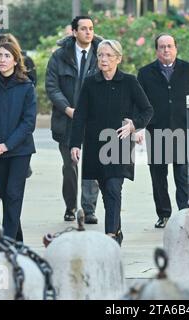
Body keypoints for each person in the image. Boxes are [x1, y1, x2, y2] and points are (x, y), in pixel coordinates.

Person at [69, 40, 153, 245]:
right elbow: (80, 116)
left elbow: (147, 110)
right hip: (96, 146)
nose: (103, 59)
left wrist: (134, 125)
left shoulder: (130, 82)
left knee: (114, 187)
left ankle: (111, 236)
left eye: (108, 55)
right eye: (100, 55)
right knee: (106, 191)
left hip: (119, 145)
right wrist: (75, 144)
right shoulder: (90, 83)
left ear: (118, 59)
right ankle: (116, 228)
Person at [138, 34, 189, 228]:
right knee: (158, 177)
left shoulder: (188, 69)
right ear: (156, 50)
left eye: (169, 46)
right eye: (162, 47)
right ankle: (164, 214)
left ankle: (184, 212)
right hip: (156, 131)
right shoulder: (145, 73)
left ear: (176, 48)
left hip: (182, 130)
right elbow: (140, 103)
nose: (166, 50)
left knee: (183, 175)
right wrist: (140, 127)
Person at [46, 16, 101, 223]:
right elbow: (52, 86)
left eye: (91, 28)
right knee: (70, 166)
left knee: (92, 166)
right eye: (84, 29)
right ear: (74, 32)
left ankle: (89, 209)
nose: (88, 32)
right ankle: (71, 206)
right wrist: (68, 109)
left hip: (93, 120)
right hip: (67, 120)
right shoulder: (59, 57)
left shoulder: (100, 54)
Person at [0, 42, 37, 241]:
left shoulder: (26, 86)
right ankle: (17, 239)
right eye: (0, 56)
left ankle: (8, 241)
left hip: (19, 151)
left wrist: (7, 144)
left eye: (7, 56)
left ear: (15, 60)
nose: (2, 60)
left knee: (13, 194)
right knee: (4, 195)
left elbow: (28, 122)